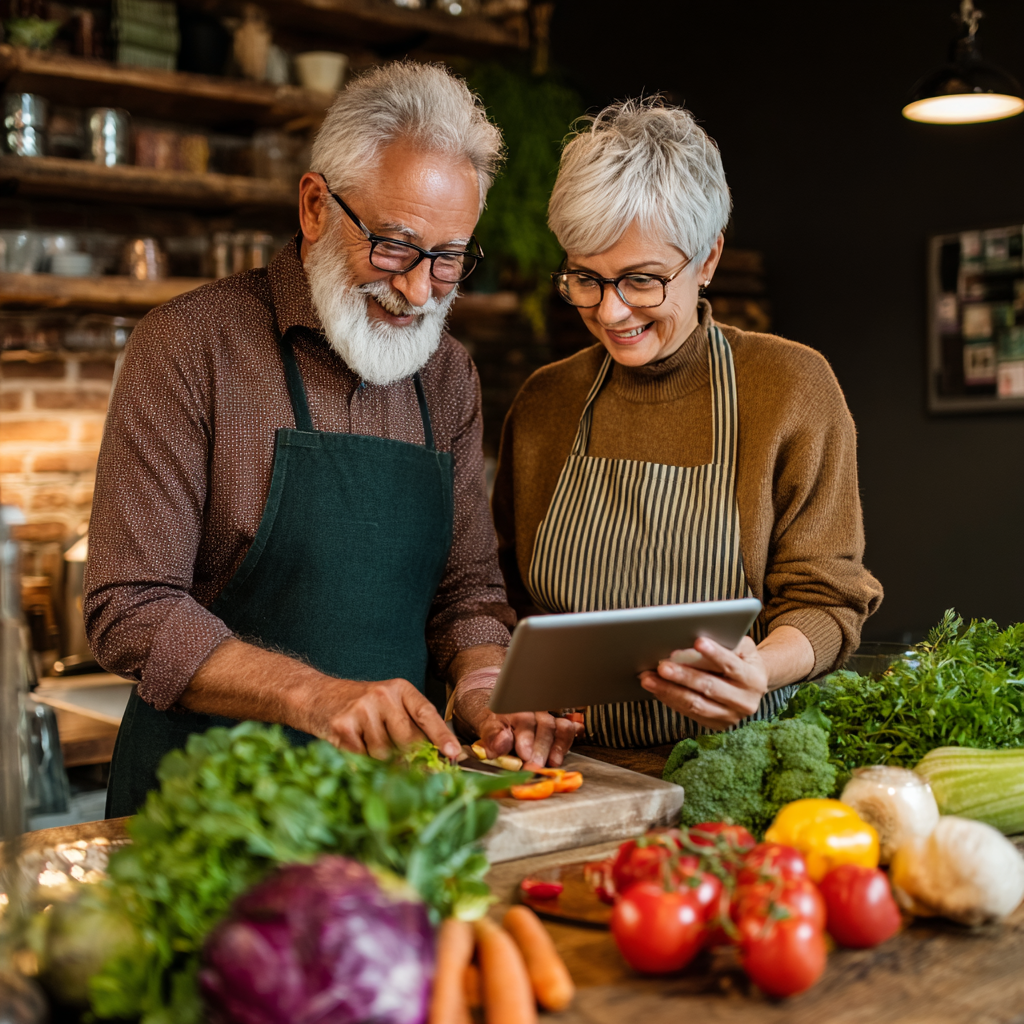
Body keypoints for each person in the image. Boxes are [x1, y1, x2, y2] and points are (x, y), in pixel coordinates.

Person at [86, 62, 579, 817]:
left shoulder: (448, 376)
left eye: (449, 259)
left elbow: (468, 595)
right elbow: (130, 609)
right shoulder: (189, 346)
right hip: (202, 807)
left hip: (392, 811)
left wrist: (486, 690)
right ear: (316, 205)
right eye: (394, 246)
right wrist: (312, 696)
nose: (419, 291)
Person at [488, 97, 884, 748]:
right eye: (585, 278)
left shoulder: (790, 387)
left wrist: (758, 668)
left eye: (641, 281)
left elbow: (825, 600)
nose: (611, 311)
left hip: (738, 771)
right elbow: (505, 597)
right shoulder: (545, 401)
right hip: (577, 775)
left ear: (707, 260)